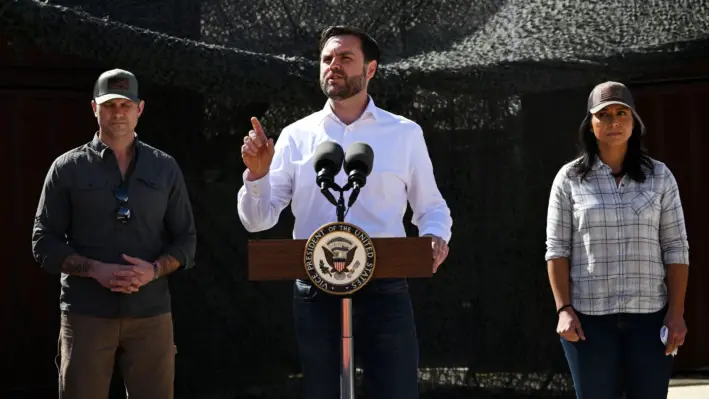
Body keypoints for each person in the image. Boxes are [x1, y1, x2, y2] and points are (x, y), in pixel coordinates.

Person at [237, 26, 452, 398]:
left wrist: (435, 236)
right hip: (316, 289)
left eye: (345, 58)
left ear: (370, 70)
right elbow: (259, 221)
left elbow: (430, 205)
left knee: (396, 391)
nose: (332, 66)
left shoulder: (404, 133)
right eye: (326, 59)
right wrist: (257, 175)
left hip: (384, 287)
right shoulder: (295, 135)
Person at [31, 68, 197, 399]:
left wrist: (152, 271)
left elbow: (187, 241)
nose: (118, 113)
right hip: (86, 313)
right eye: (109, 105)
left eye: (125, 104)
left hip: (150, 314)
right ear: (94, 109)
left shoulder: (164, 167)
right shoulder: (68, 168)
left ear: (140, 109)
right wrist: (95, 270)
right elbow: (43, 242)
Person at [545, 81, 690, 399]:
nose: (613, 121)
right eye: (604, 114)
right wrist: (564, 309)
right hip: (589, 323)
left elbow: (676, 247)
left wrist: (676, 312)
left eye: (621, 112)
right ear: (590, 124)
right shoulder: (569, 179)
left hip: (650, 320)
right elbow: (557, 249)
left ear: (634, 122)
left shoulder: (660, 176)